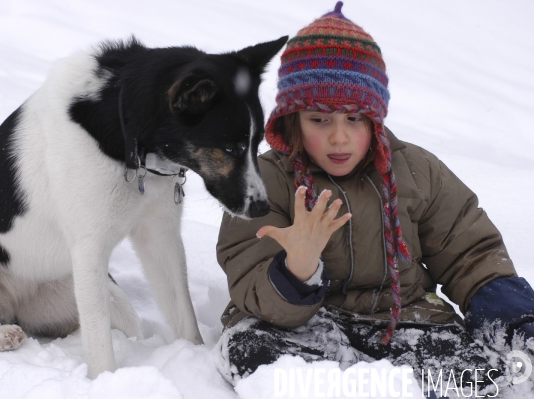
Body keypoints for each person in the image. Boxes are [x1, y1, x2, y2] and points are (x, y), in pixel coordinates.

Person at [213, 2, 534, 396]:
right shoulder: (266, 181)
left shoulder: (415, 170)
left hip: (407, 324)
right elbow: (248, 275)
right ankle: (327, 389)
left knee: (475, 379)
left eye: (354, 118)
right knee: (249, 349)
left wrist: (517, 319)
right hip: (305, 328)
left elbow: (471, 254)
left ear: (375, 118)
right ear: (292, 118)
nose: (339, 137)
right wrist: (297, 267)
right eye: (319, 119)